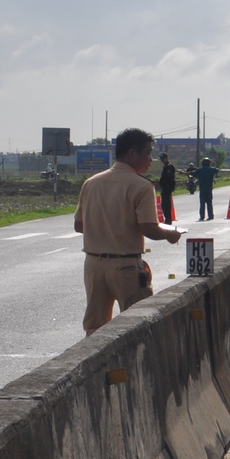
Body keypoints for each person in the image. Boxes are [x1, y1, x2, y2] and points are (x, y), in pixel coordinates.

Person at [74, 127, 184, 334]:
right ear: (132, 153)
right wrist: (171, 234)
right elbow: (148, 228)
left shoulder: (91, 183)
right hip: (125, 266)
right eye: (147, 153)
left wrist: (104, 229)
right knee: (137, 325)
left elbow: (79, 225)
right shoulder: (141, 186)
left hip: (93, 266)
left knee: (95, 328)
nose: (150, 159)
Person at [156, 153, 178, 225]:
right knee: (164, 204)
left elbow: (169, 178)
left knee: (166, 204)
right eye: (161, 159)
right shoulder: (165, 167)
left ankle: (168, 219)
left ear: (166, 158)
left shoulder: (169, 167)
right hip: (165, 187)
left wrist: (162, 183)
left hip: (167, 187)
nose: (162, 160)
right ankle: (167, 219)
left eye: (163, 158)